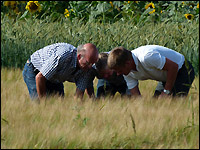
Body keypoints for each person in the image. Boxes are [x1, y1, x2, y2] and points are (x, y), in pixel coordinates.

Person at [107, 45, 195, 98]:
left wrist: (166, 92)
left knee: (175, 102)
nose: (118, 74)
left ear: (128, 63)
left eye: (119, 70)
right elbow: (136, 95)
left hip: (183, 69)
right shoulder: (126, 71)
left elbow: (173, 67)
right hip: (166, 76)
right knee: (156, 103)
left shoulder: (146, 57)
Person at [22, 42, 99, 100]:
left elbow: (78, 97)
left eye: (92, 63)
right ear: (79, 57)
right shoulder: (63, 56)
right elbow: (39, 77)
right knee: (38, 103)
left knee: (59, 105)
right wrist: (43, 105)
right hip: (35, 70)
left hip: (55, 77)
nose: (90, 67)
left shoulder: (87, 69)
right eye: (88, 63)